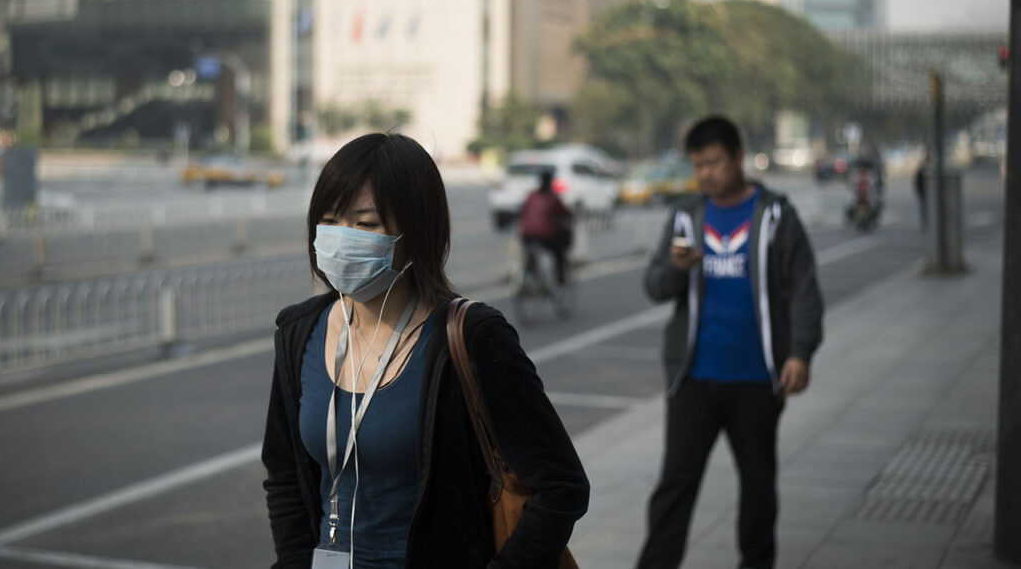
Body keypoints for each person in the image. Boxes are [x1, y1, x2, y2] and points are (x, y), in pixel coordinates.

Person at [262, 133, 589, 569]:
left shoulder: (472, 337)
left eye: (365, 224)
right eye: (329, 220)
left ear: (415, 231)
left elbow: (561, 486)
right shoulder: (298, 332)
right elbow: (285, 476)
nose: (342, 239)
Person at [635, 116, 824, 569]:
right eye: (698, 165)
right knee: (673, 491)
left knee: (759, 492)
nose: (706, 174)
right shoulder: (686, 215)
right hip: (693, 379)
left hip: (757, 380)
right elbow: (654, 285)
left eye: (715, 163)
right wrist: (677, 268)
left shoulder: (776, 214)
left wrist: (799, 351)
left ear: (739, 158)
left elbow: (803, 287)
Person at [518, 170, 574, 285]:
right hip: (546, 236)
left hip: (527, 235)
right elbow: (565, 213)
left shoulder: (532, 195)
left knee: (528, 252)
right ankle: (560, 277)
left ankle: (529, 271)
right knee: (558, 251)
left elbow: (522, 211)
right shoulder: (553, 198)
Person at [914, 156, 929, 230]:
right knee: (923, 209)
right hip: (923, 193)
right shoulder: (922, 170)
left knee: (925, 209)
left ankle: (926, 223)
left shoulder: (924, 170)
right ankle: (924, 224)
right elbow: (917, 182)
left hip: (925, 193)